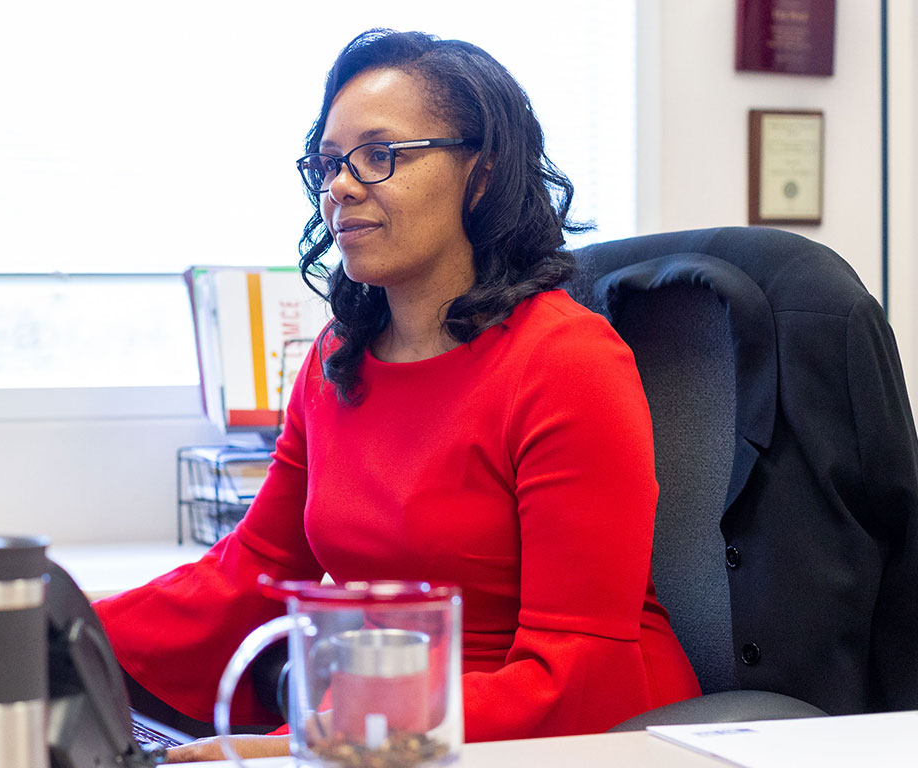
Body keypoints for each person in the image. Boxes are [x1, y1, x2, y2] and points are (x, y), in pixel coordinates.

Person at [94, 29, 702, 762]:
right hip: (388, 726)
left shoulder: (566, 362)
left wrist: (314, 742)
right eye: (328, 164)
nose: (340, 185)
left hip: (560, 737)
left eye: (379, 156)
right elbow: (253, 567)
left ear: (482, 172)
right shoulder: (335, 361)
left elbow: (579, 669)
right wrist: (60, 631)